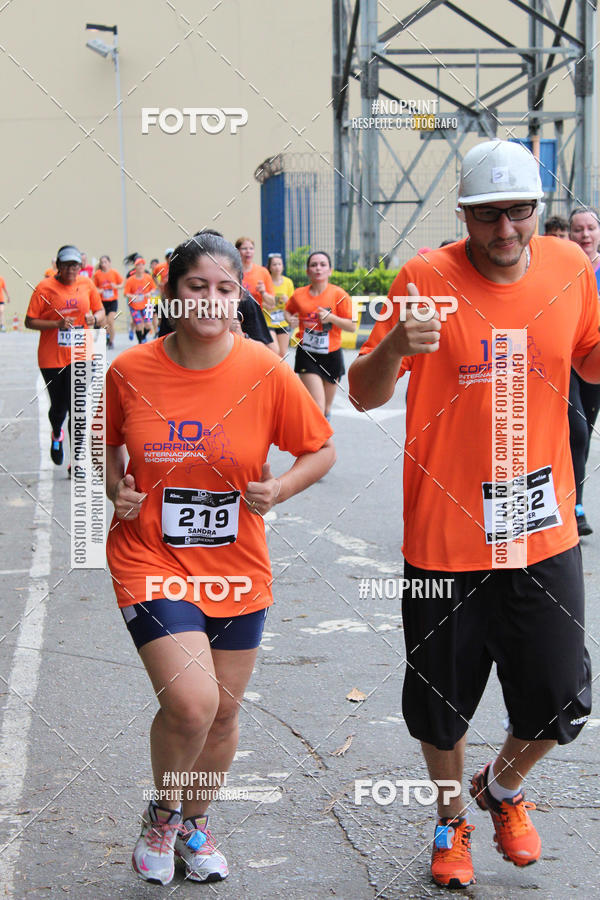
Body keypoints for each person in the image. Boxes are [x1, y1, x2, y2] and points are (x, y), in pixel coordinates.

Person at [348, 139, 597, 890]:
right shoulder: (425, 277)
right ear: (464, 216)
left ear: (536, 211)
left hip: (542, 527)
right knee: (440, 704)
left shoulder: (568, 267)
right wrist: (394, 343)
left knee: (562, 695)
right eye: (488, 216)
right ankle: (451, 818)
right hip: (446, 536)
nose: (505, 231)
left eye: (518, 212)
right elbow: (362, 392)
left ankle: (503, 790)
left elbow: (589, 361)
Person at [104, 230, 335, 886]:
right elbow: (111, 445)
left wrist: (279, 488)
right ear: (172, 297)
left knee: (226, 712)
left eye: (224, 290)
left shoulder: (264, 370)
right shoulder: (131, 371)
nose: (210, 302)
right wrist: (112, 487)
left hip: (238, 565)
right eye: (196, 288)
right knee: (192, 703)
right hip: (150, 556)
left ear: (239, 300)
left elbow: (320, 447)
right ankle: (161, 814)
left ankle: (194, 822)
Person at [25, 245, 104, 471]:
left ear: (80, 266)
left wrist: (94, 320)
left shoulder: (87, 284)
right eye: (66, 264)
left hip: (82, 356)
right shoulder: (45, 287)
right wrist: (56, 324)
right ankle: (57, 432)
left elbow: (99, 311)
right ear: (58, 266)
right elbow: (29, 321)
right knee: (59, 407)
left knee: (77, 407)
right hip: (52, 358)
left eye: (75, 264)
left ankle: (76, 460)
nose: (71, 269)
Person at [285, 251, 356, 417]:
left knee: (326, 410)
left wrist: (331, 318)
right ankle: (318, 442)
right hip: (307, 353)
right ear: (307, 271)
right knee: (317, 406)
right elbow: (287, 312)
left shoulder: (339, 295)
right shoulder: (299, 294)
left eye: (323, 265)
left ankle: (322, 440)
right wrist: (290, 320)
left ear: (330, 270)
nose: (318, 268)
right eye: (313, 265)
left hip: (332, 354)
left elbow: (352, 327)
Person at [567, 206, 600, 535]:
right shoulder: (564, 270)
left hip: (596, 360)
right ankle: (573, 508)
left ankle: (574, 500)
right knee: (575, 429)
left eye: (591, 228)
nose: (585, 235)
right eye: (578, 229)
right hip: (565, 361)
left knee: (584, 434)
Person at [235, 236, 278, 353]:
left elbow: (272, 302)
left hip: (258, 318)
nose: (248, 251)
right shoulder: (233, 271)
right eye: (244, 248)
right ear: (237, 251)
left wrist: (263, 292)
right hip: (237, 317)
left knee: (275, 351)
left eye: (251, 248)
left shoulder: (262, 272)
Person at [265, 253, 294, 357]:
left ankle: (276, 373)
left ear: (283, 266)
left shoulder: (288, 282)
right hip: (268, 322)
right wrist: (265, 305)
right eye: (274, 264)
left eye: (279, 264)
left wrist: (288, 301)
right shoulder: (266, 281)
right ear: (269, 267)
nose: (277, 267)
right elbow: (259, 300)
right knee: (274, 351)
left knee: (282, 354)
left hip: (283, 322)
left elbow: (293, 304)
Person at [93, 255, 123, 349]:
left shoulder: (114, 273)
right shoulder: (97, 274)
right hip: (102, 302)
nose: (104, 264)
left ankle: (111, 342)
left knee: (110, 321)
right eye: (102, 262)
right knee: (104, 323)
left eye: (105, 262)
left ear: (109, 263)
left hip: (113, 301)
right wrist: (99, 290)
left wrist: (116, 286)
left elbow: (122, 284)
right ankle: (107, 336)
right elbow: (93, 287)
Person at [124, 257, 155, 343]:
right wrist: (132, 296)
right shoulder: (131, 280)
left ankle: (143, 336)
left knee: (148, 325)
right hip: (135, 305)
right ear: (135, 267)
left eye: (142, 265)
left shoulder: (148, 277)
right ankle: (141, 341)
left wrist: (150, 293)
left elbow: (153, 288)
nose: (141, 267)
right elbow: (125, 293)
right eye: (138, 265)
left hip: (147, 304)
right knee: (138, 325)